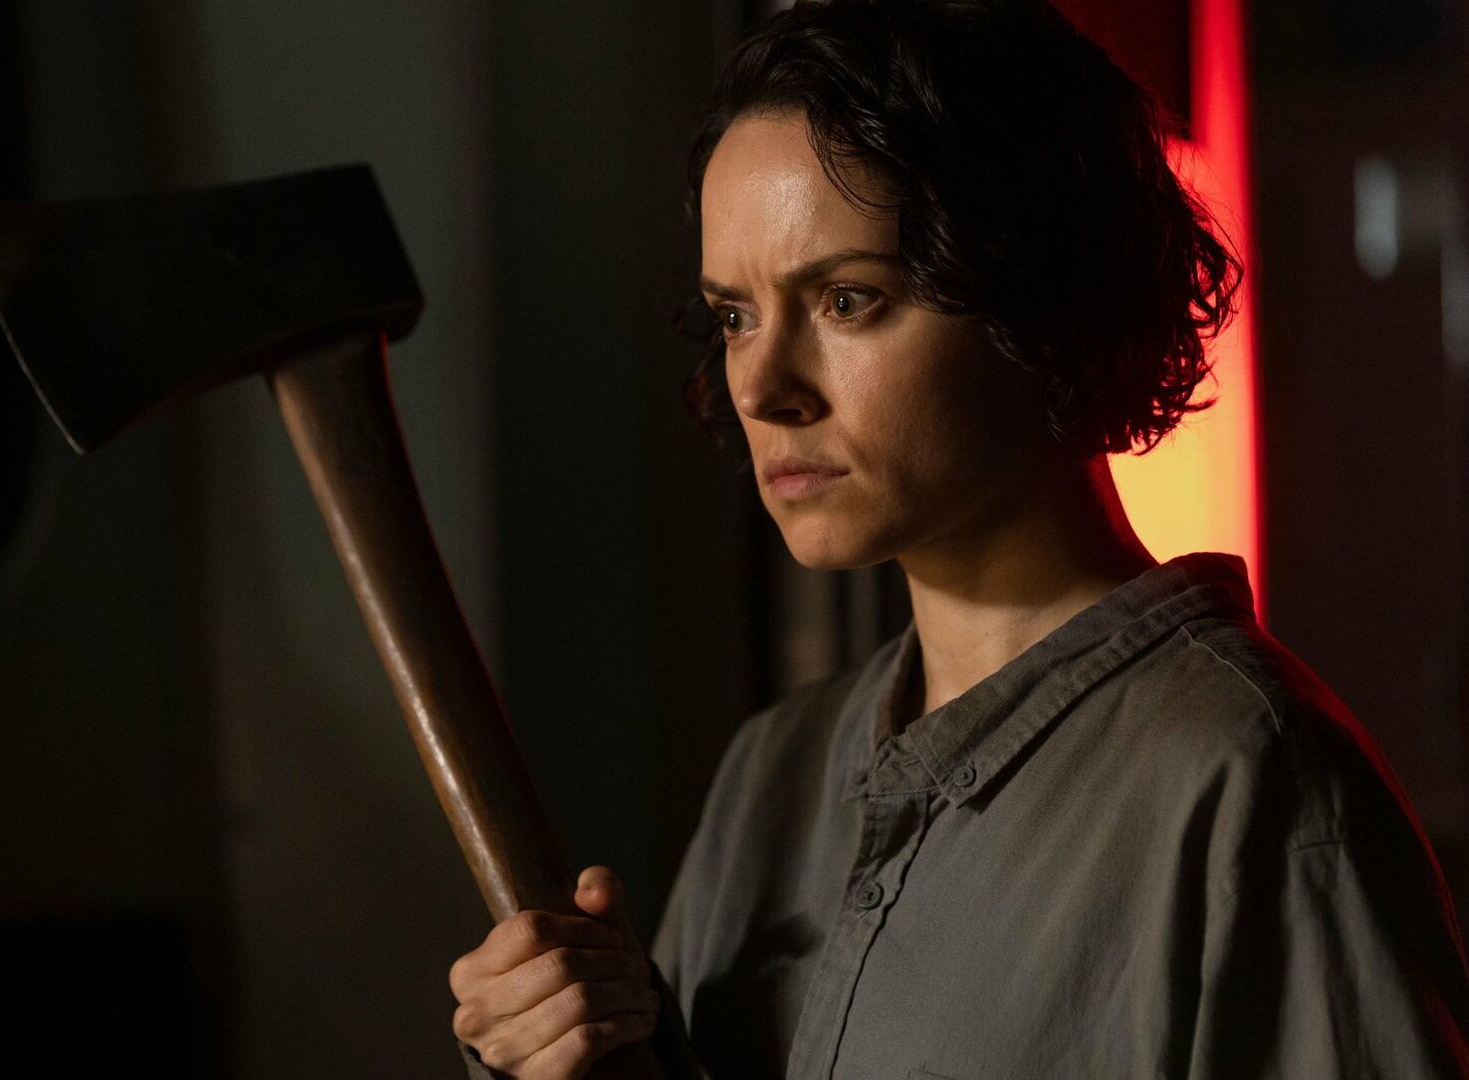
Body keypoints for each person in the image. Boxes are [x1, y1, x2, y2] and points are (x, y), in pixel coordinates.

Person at [450, 1, 1469, 1077]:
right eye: (736, 316)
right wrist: (573, 1047)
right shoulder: (775, 774)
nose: (761, 386)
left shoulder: (1247, 782)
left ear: (1044, 304)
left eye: (847, 300)